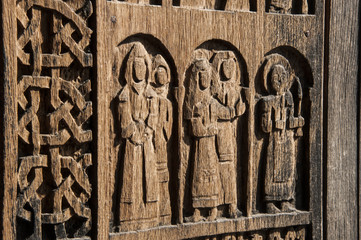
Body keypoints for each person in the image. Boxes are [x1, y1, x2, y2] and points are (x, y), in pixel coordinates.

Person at [261, 62, 304, 213]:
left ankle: (286, 200)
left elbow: (292, 116)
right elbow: (264, 126)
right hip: (275, 140)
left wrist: (296, 121)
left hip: (288, 139)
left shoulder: (289, 97)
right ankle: (270, 202)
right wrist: (274, 124)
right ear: (270, 81)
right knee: (273, 167)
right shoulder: (267, 101)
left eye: (283, 76)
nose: (279, 80)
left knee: (288, 168)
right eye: (275, 77)